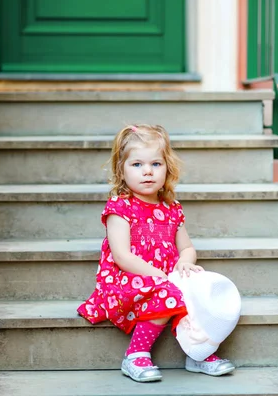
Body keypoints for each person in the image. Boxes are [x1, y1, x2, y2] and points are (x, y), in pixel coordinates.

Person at [77, 124, 235, 382]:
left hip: (164, 277)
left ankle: (198, 352)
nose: (147, 171)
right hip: (128, 278)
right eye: (137, 164)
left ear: (167, 168)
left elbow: (186, 247)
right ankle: (135, 354)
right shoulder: (121, 207)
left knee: (196, 289)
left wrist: (185, 263)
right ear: (122, 170)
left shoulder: (172, 207)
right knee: (169, 292)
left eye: (156, 164)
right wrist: (160, 276)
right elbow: (122, 256)